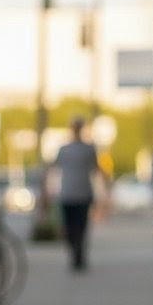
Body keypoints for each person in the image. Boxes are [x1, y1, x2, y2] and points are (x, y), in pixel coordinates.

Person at [53, 116, 104, 271]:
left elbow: (96, 169)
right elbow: (97, 170)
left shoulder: (82, 149)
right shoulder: (73, 149)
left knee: (75, 227)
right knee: (76, 228)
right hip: (74, 193)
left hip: (76, 194)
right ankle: (77, 254)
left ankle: (77, 255)